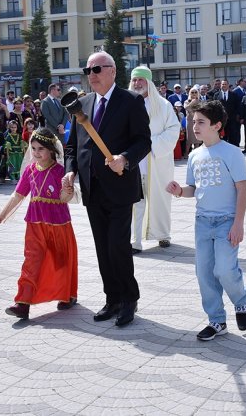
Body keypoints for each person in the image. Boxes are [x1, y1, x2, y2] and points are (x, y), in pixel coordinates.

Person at [63, 51, 151, 327]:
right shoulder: (82, 104)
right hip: (93, 188)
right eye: (88, 70)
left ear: (113, 71)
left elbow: (143, 141)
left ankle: (128, 299)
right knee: (102, 247)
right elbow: (73, 145)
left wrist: (125, 159)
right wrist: (70, 168)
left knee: (117, 246)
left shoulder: (131, 101)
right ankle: (111, 298)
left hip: (121, 187)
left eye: (98, 69)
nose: (93, 75)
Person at [165, 101, 246, 341]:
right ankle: (217, 320)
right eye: (193, 122)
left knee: (224, 269)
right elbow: (194, 188)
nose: (195, 126)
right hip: (202, 221)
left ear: (217, 125)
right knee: (204, 273)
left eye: (201, 122)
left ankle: (241, 300)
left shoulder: (232, 153)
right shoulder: (194, 155)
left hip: (227, 221)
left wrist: (238, 224)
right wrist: (179, 191)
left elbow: (242, 189)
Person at [0, 128, 78, 320]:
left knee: (61, 262)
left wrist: (67, 189)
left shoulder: (60, 171)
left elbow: (65, 198)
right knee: (30, 261)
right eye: (33, 148)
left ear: (51, 150)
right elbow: (18, 194)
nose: (36, 152)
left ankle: (68, 295)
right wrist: (3, 213)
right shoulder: (30, 170)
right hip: (34, 224)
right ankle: (22, 303)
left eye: (41, 149)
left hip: (58, 224)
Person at [128, 66, 180, 253]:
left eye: (141, 80)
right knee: (135, 201)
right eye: (134, 80)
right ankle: (135, 241)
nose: (137, 83)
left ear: (148, 82)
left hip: (157, 161)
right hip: (134, 161)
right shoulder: (126, 104)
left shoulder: (164, 105)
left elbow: (173, 130)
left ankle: (163, 234)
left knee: (161, 198)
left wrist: (150, 143)